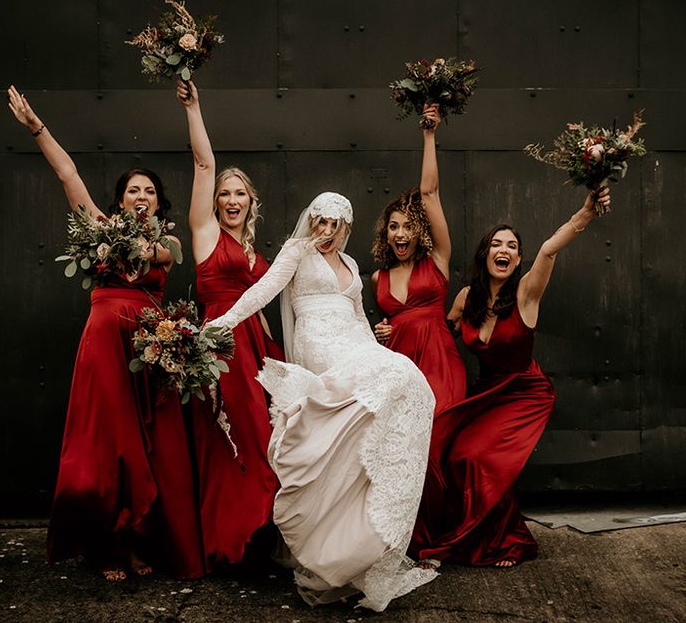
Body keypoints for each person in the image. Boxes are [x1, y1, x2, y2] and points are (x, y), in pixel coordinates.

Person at [7, 86, 203, 581]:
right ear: (119, 200)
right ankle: (107, 546)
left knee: (148, 446)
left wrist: (129, 238)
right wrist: (36, 127)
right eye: (133, 190)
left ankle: (141, 539)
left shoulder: (170, 241)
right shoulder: (100, 227)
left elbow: (158, 256)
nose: (142, 196)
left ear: (159, 204)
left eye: (150, 191)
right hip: (104, 341)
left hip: (149, 346)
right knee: (108, 442)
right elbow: (67, 173)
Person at [207, 192, 438, 612]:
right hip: (317, 343)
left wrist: (377, 356)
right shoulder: (297, 252)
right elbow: (261, 292)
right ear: (311, 221)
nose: (327, 232)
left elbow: (359, 319)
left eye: (336, 226)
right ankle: (323, 543)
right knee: (388, 384)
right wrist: (220, 324)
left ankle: (364, 545)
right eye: (321, 223)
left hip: (353, 342)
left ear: (346, 228)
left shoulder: (350, 266)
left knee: (411, 382)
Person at [411, 186, 612, 568]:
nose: (504, 250)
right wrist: (396, 328)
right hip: (486, 392)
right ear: (485, 252)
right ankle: (491, 533)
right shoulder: (466, 298)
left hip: (522, 391)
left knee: (478, 456)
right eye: (497, 244)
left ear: (519, 258)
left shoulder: (526, 294)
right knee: (451, 455)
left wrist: (585, 213)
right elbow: (438, 331)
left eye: (512, 246)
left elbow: (550, 249)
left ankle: (507, 541)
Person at [176, 79, 283, 571]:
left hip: (256, 347)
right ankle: (228, 541)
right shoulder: (205, 235)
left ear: (250, 202)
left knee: (266, 438)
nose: (232, 199)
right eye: (225, 193)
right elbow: (203, 164)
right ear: (215, 202)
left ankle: (258, 532)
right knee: (229, 440)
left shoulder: (255, 253)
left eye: (240, 193)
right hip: (221, 348)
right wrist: (195, 108)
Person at [371, 103, 466, 415]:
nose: (400, 233)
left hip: (439, 364)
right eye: (394, 226)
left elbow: (429, 194)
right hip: (399, 370)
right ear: (386, 233)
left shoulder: (437, 260)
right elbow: (382, 329)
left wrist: (429, 135)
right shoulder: (378, 278)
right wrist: (381, 331)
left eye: (408, 227)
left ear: (420, 232)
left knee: (438, 435)